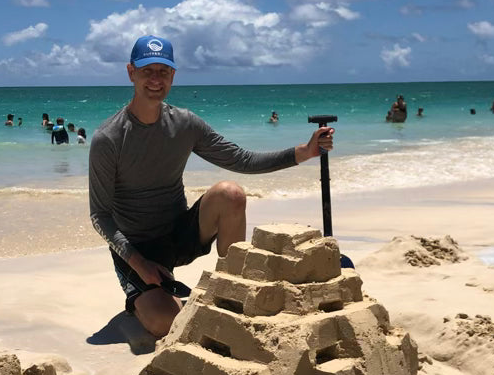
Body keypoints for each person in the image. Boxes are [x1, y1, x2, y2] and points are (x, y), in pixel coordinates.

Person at [89, 35, 334, 339]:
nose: (155, 79)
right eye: (147, 71)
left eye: (163, 71)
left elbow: (241, 159)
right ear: (131, 72)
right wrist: (138, 264)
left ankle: (231, 289)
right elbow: (100, 216)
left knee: (230, 193)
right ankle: (142, 299)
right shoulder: (108, 138)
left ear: (173, 76)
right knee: (166, 324)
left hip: (178, 234)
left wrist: (303, 153)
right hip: (137, 248)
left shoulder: (185, 124)